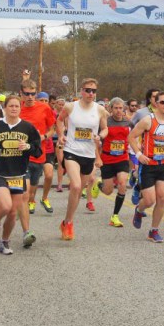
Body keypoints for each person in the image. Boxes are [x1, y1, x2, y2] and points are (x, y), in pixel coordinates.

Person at [0, 95, 42, 255]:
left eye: (16, 106)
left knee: (13, 212)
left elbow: (38, 151)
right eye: (10, 106)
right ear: (4, 108)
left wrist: (28, 147)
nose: (13, 109)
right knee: (6, 206)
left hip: (18, 174)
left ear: (20, 108)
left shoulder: (28, 128)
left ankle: (4, 242)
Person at [56, 78, 108, 240]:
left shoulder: (100, 110)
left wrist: (100, 136)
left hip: (89, 155)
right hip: (71, 151)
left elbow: (106, 129)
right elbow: (59, 120)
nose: (90, 94)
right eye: (87, 90)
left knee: (77, 193)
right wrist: (60, 136)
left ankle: (66, 221)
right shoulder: (71, 107)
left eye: (93, 91)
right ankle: (70, 223)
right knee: (76, 186)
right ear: (81, 91)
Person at [128, 91, 164, 243]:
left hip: (163, 165)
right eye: (162, 102)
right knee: (150, 200)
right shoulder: (147, 121)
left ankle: (153, 230)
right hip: (148, 165)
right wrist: (138, 155)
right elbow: (131, 137)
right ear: (156, 104)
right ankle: (139, 209)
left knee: (163, 198)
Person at [17, 79, 55, 248]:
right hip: (19, 157)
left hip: (38, 155)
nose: (31, 97)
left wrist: (44, 137)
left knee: (30, 193)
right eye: (27, 94)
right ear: (21, 94)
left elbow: (52, 128)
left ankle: (24, 209)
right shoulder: (16, 107)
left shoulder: (44, 108)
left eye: (33, 94)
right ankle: (26, 231)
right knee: (25, 195)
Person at [91, 97, 131, 227]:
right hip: (107, 159)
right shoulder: (105, 123)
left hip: (122, 158)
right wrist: (98, 157)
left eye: (121, 108)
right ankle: (99, 184)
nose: (119, 111)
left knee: (122, 183)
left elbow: (136, 134)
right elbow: (95, 141)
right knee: (108, 191)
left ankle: (115, 216)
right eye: (116, 108)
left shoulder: (128, 122)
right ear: (111, 109)